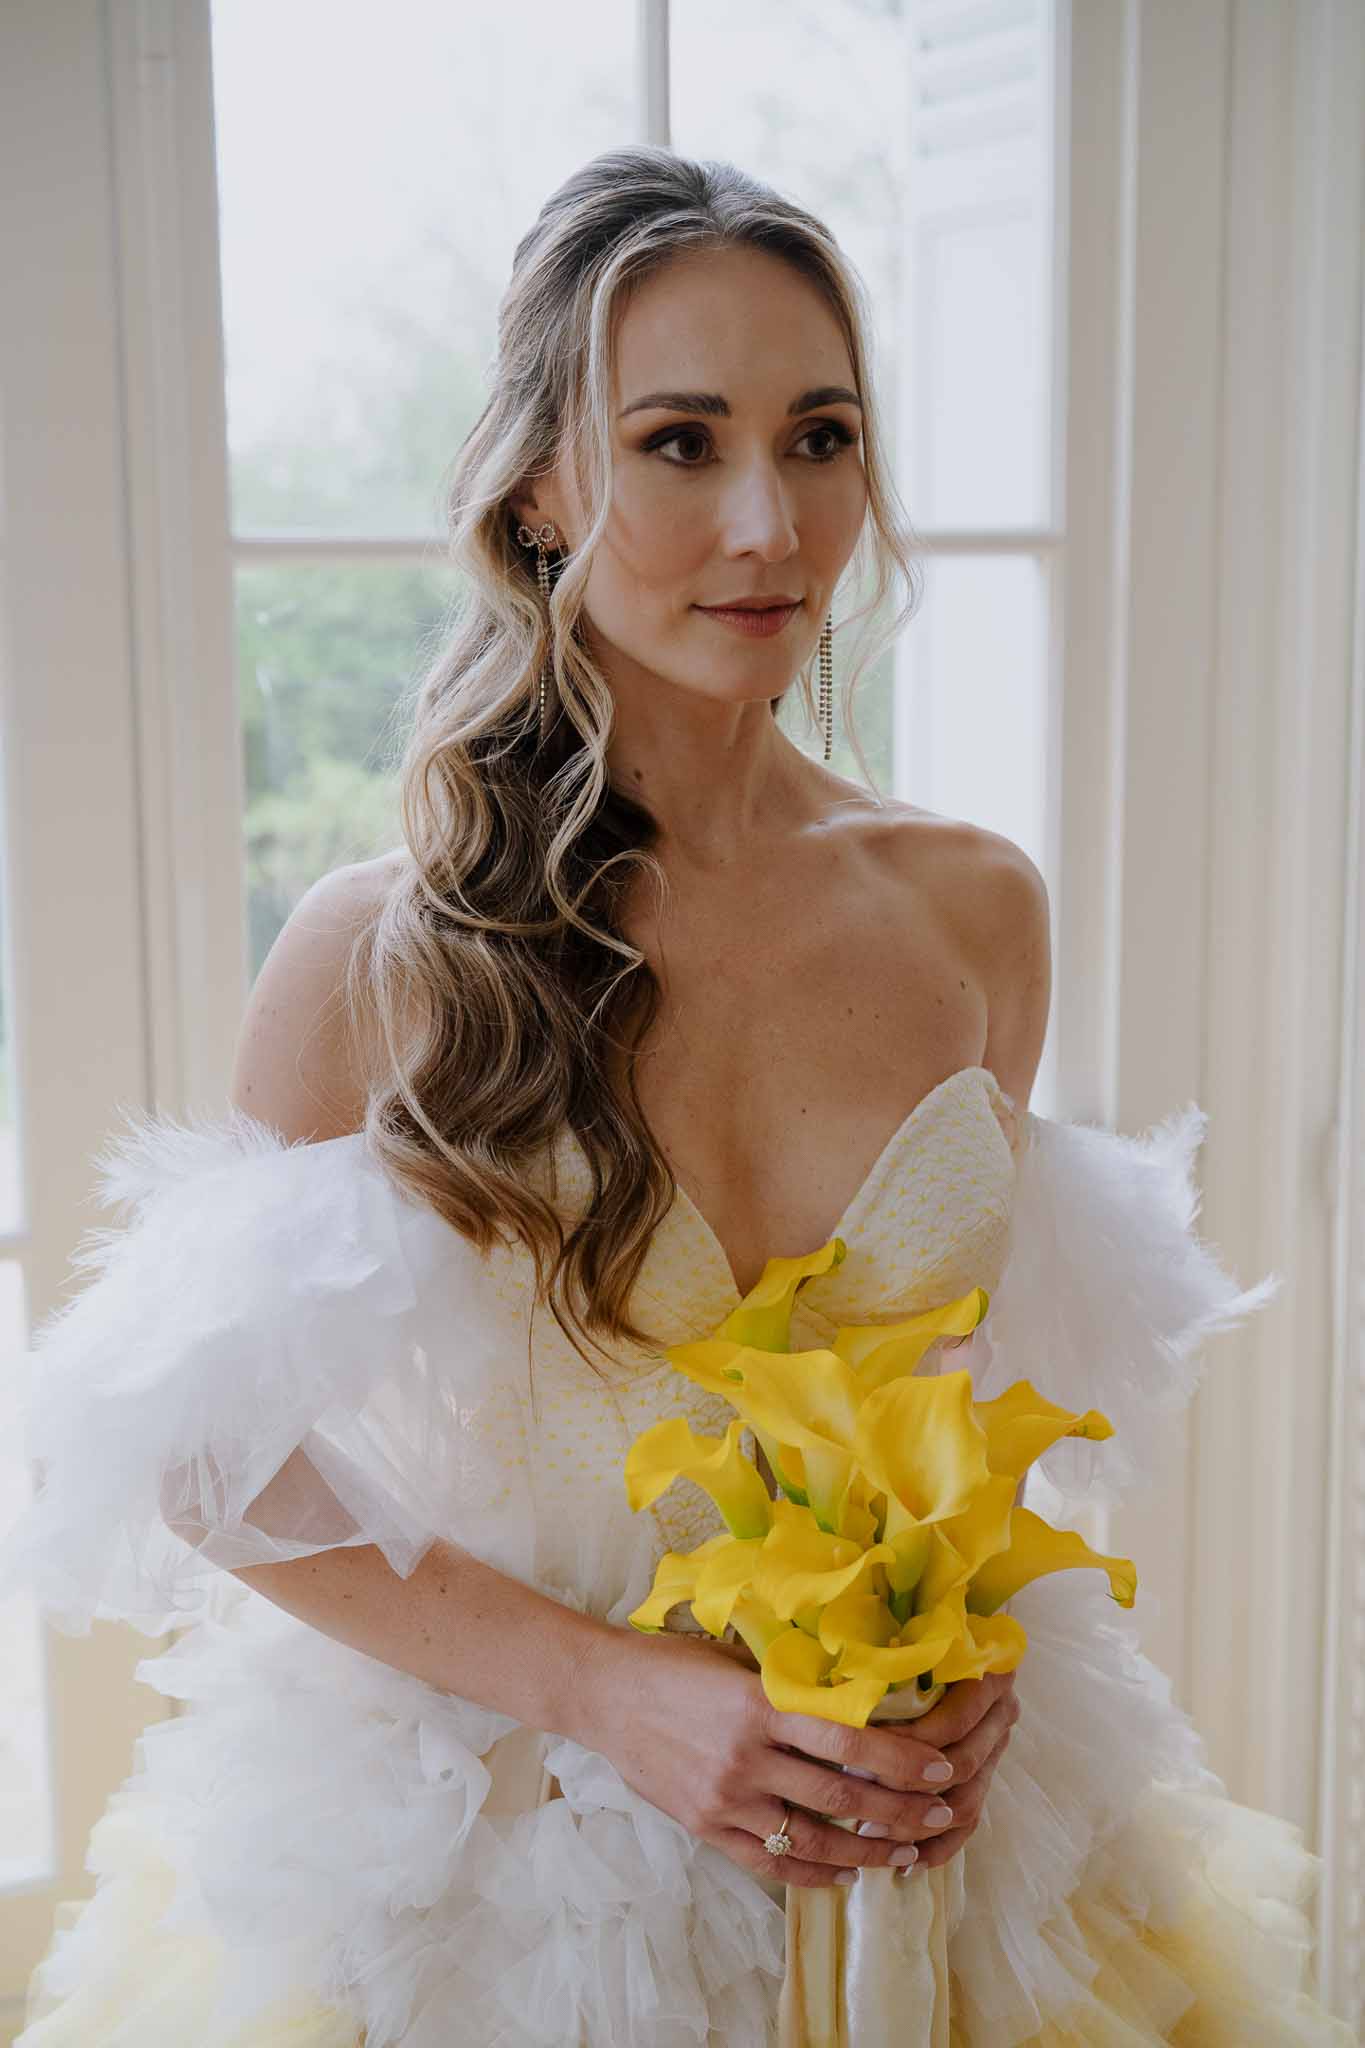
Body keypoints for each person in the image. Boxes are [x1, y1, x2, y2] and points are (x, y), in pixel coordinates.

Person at [2, 146, 1351, 2047]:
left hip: (929, 1866)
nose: (765, 525)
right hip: (502, 1870)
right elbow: (207, 1464)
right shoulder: (381, 951)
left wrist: (962, 1658)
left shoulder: (974, 911)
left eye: (818, 438)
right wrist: (605, 1690)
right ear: (543, 487)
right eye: (677, 441)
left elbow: (943, 1419)